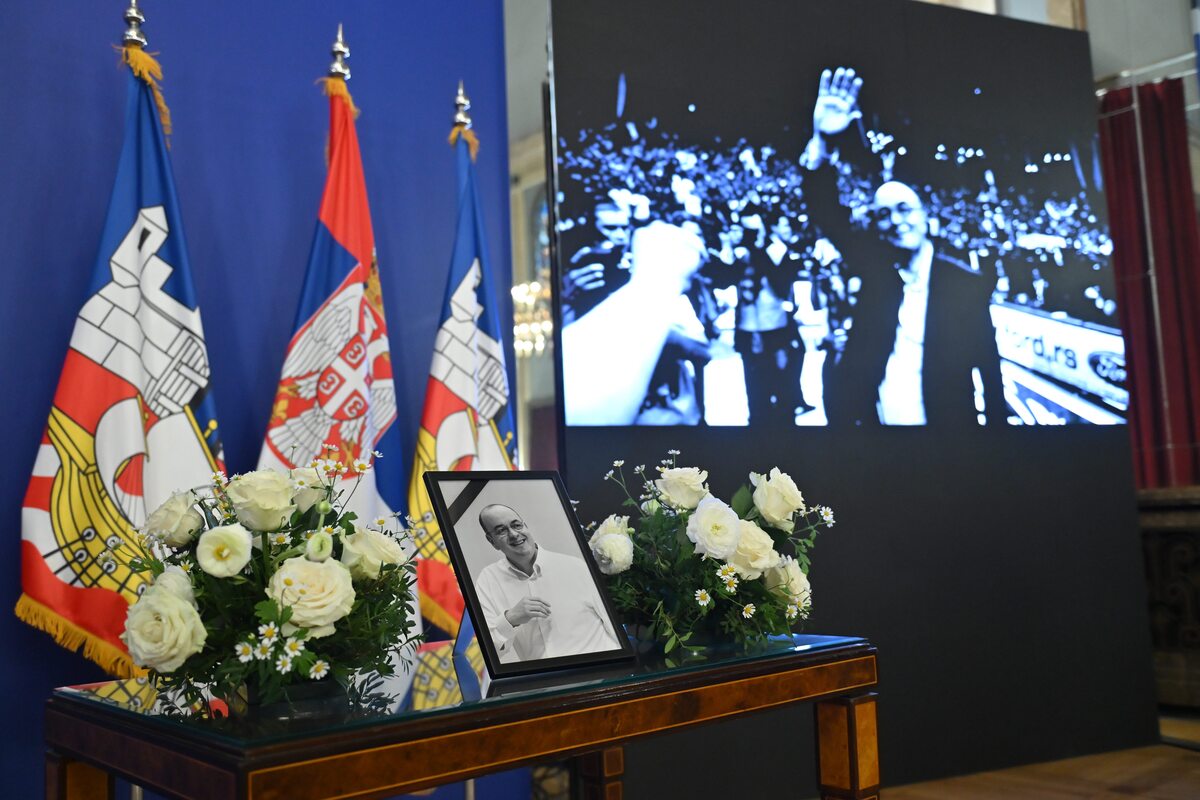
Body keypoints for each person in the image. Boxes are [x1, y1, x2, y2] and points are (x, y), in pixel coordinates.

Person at [802, 67, 1006, 426]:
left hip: (947, 439)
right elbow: (826, 212)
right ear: (876, 227)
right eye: (884, 214)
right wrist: (821, 138)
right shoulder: (874, 270)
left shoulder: (965, 283)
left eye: (904, 209)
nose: (897, 220)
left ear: (926, 215)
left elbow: (990, 373)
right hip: (877, 438)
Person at [474, 503, 621, 663]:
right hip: (548, 683)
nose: (514, 534)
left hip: (601, 671)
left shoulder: (576, 566)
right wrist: (511, 618)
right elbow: (485, 652)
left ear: (526, 526)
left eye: (516, 525)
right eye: (501, 531)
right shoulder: (488, 579)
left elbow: (614, 624)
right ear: (492, 541)